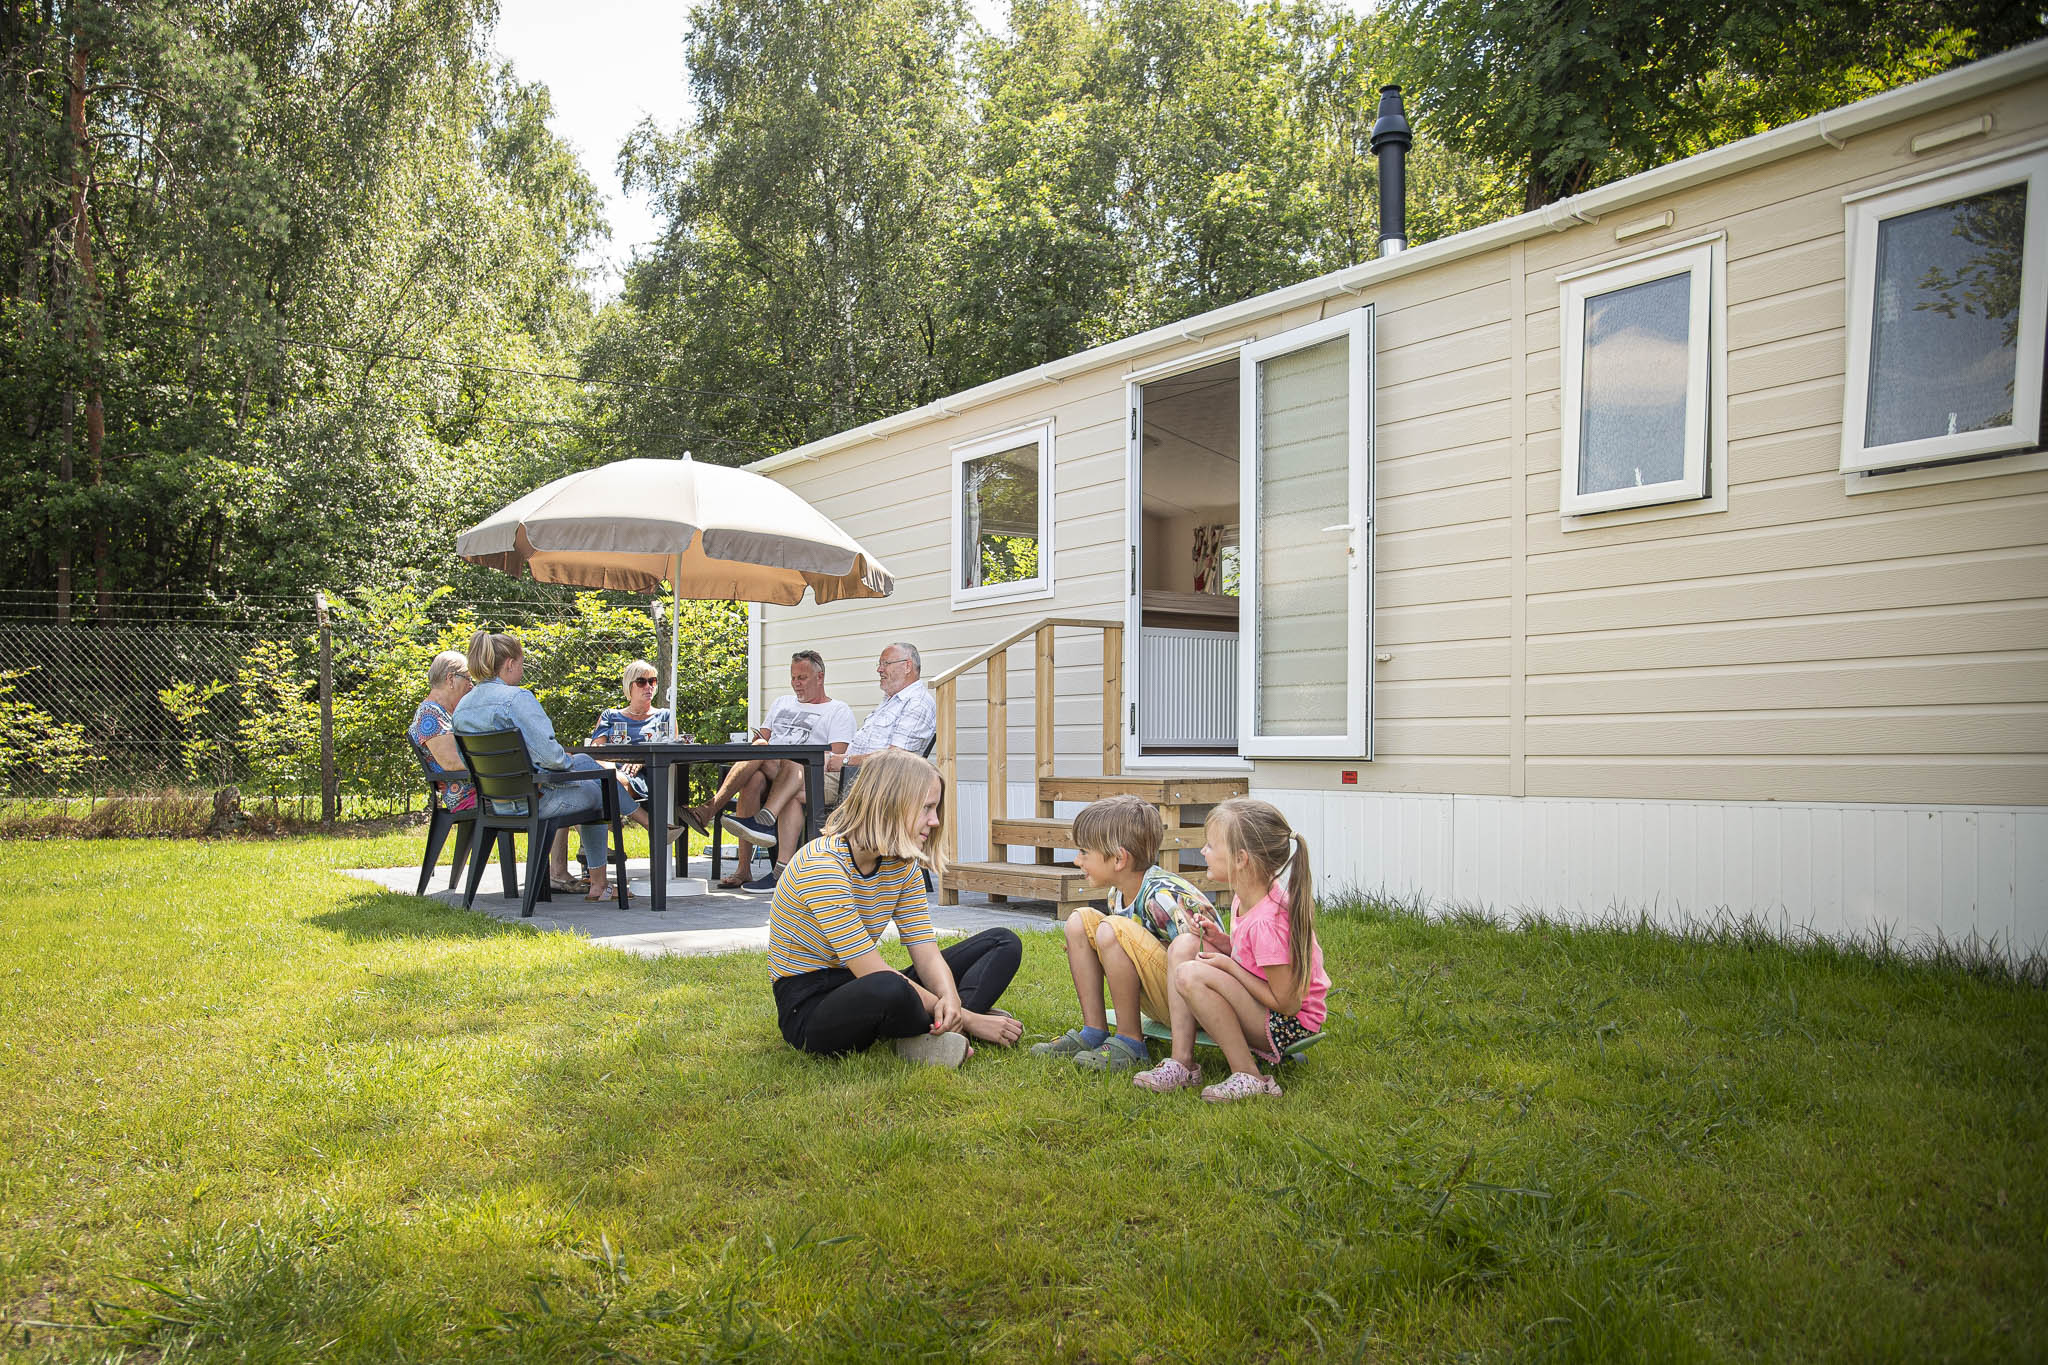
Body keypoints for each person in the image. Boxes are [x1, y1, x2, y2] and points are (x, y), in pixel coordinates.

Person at [768, 748, 1024, 1065]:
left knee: (1002, 942)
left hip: (860, 982)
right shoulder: (823, 866)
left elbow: (926, 950)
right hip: (809, 1005)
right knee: (890, 986)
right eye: (927, 808)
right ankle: (958, 1025)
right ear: (890, 805)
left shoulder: (900, 865)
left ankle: (935, 1029)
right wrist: (972, 1018)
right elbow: (869, 970)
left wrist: (952, 1000)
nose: (936, 820)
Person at [1133, 797, 1330, 1103]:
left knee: (1190, 976)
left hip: (1288, 1025)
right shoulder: (1246, 898)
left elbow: (1287, 1003)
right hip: (1265, 1009)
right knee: (1184, 943)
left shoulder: (1267, 921)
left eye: (1211, 846)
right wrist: (1225, 944)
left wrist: (1228, 966)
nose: (1203, 852)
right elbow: (1255, 960)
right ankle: (1182, 1063)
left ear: (1241, 859)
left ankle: (1251, 1076)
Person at [1031, 795, 1213, 1072]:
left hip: (1196, 1008)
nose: (1077, 860)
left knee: (1111, 930)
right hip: (1162, 997)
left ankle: (1131, 1041)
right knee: (1080, 921)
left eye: (1084, 852)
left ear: (1118, 859)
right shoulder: (1117, 894)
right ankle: (1094, 1031)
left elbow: (1202, 962)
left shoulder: (1163, 897)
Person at [453, 629, 636, 903]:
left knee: (592, 770)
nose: (523, 670)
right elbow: (552, 759)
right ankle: (606, 878)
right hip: (537, 802)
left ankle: (601, 883)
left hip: (493, 802)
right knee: (602, 787)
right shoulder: (517, 699)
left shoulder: (463, 707)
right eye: (522, 663)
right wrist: (567, 763)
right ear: (510, 663)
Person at [695, 650, 854, 889]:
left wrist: (786, 754)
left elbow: (834, 757)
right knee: (755, 771)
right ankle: (744, 868)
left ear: (819, 677)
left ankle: (711, 810)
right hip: (773, 770)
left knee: (772, 760)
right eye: (793, 678)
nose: (796, 684)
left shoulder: (838, 710)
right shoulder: (782, 703)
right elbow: (761, 739)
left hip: (805, 775)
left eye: (802, 678)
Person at [408, 650, 476, 814]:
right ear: (451, 679)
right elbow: (452, 763)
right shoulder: (430, 714)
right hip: (468, 796)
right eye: (468, 678)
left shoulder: (444, 713)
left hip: (480, 791)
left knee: (540, 795)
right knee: (541, 799)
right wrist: (498, 771)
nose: (471, 686)